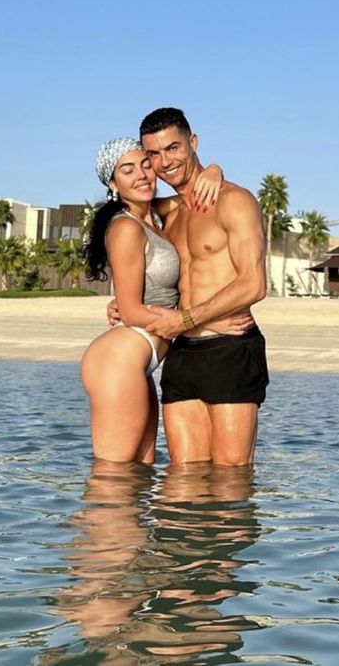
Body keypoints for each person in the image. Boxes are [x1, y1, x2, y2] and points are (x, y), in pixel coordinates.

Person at [111, 108, 268, 467]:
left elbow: (253, 284)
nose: (165, 162)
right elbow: (126, 235)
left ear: (193, 143)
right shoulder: (164, 213)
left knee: (230, 478)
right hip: (182, 354)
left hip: (230, 349)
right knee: (183, 478)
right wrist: (124, 302)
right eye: (153, 154)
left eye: (174, 148)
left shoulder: (234, 201)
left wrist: (184, 320)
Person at [81, 138, 248, 463]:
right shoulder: (127, 227)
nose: (142, 175)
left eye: (146, 164)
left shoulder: (155, 218)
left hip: (139, 361)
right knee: (112, 478)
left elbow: (190, 196)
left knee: (139, 475)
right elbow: (129, 311)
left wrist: (214, 170)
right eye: (127, 170)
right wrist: (203, 320)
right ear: (113, 184)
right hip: (119, 360)